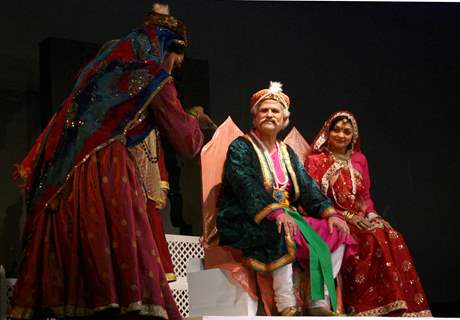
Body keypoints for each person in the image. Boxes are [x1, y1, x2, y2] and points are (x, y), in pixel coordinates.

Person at [8, 3, 215, 319]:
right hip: (110, 171)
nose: (174, 67)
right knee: (121, 262)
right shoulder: (154, 77)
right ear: (167, 48)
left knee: (81, 267)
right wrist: (196, 121)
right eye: (176, 60)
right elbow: (187, 143)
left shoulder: (101, 73)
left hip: (70, 175)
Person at [216, 82, 356, 316]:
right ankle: (286, 304)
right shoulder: (240, 147)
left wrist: (329, 213)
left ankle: (318, 301)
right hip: (246, 216)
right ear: (254, 117)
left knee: (337, 231)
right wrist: (275, 212)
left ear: (283, 119)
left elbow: (308, 187)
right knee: (281, 227)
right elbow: (245, 185)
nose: (270, 115)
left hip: (286, 214)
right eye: (264, 110)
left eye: (275, 111)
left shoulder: (287, 153)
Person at [305, 110, 431, 316]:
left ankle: (397, 305)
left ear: (353, 136)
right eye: (336, 130)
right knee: (371, 240)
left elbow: (365, 196)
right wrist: (346, 217)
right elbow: (314, 198)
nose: (341, 135)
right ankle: (366, 307)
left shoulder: (359, 159)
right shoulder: (316, 160)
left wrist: (373, 216)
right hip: (333, 218)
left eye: (347, 131)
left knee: (390, 235)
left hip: (361, 217)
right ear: (327, 132)